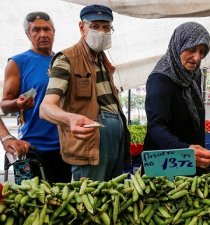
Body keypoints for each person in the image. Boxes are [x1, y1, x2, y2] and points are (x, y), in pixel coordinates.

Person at [39, 4, 130, 181]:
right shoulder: (67, 59)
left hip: (114, 141)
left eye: (106, 27)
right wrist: (70, 119)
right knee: (91, 199)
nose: (101, 32)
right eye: (95, 27)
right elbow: (45, 107)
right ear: (82, 27)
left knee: (114, 199)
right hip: (90, 145)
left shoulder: (103, 60)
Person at [0, 12, 71, 183]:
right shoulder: (18, 62)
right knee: (30, 202)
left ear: (54, 32)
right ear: (28, 34)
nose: (43, 34)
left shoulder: (64, 61)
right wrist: (17, 103)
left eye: (47, 29)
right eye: (36, 30)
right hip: (30, 149)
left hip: (64, 148)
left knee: (62, 202)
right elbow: (4, 105)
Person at [143, 22, 210, 174]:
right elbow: (156, 127)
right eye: (191, 49)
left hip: (187, 163)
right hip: (164, 166)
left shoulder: (191, 76)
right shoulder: (160, 79)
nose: (197, 57)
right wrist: (186, 150)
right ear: (179, 44)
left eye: (202, 51)